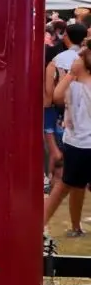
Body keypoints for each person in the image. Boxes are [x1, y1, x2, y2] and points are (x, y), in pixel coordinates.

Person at [46, 44, 91, 233]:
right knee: (71, 185)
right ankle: (74, 226)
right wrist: (73, 73)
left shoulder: (78, 77)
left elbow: (56, 96)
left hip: (81, 143)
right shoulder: (76, 78)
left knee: (67, 186)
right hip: (77, 142)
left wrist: (72, 74)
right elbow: (57, 96)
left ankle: (69, 225)